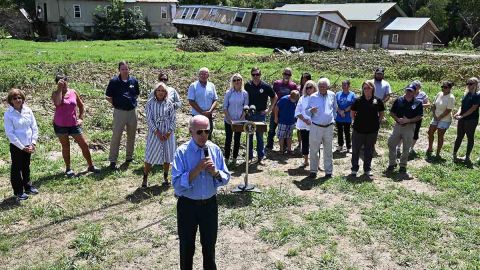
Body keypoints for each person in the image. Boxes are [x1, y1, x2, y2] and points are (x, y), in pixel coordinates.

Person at [172, 115, 230, 270]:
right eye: (199, 132)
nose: (204, 136)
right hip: (188, 206)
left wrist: (215, 173)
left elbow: (225, 177)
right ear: (191, 131)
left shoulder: (214, 149)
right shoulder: (182, 152)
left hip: (209, 205)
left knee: (209, 246)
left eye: (207, 131)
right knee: (186, 247)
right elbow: (177, 185)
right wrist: (196, 170)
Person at [52, 74, 100, 177]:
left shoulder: (73, 92)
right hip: (60, 125)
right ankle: (68, 168)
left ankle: (91, 165)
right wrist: (60, 90)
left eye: (65, 81)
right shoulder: (55, 93)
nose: (63, 84)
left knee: (84, 144)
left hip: (73, 124)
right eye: (60, 82)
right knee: (66, 146)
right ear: (57, 83)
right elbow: (57, 103)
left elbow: (81, 105)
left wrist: (81, 118)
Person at [4, 89, 39, 201]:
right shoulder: (8, 114)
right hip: (17, 146)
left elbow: (34, 127)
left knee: (26, 166)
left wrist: (33, 143)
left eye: (19, 97)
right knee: (16, 168)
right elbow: (10, 133)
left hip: (29, 145)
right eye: (15, 98)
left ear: (23, 99)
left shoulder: (28, 111)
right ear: (11, 101)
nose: (18, 100)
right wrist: (22, 147)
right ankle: (18, 191)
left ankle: (28, 187)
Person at [106, 61, 140, 170]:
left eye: (126, 69)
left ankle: (129, 158)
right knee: (116, 136)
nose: (125, 71)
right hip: (119, 112)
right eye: (122, 69)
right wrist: (117, 104)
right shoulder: (114, 81)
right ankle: (112, 160)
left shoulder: (133, 81)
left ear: (129, 69)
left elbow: (136, 94)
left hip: (132, 112)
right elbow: (108, 96)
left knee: (131, 135)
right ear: (119, 70)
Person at [142, 83, 176, 188]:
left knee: (167, 155)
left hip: (167, 133)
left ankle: (165, 177)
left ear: (165, 92)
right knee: (150, 155)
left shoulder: (169, 103)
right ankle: (145, 178)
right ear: (155, 91)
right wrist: (157, 132)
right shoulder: (150, 103)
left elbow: (173, 119)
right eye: (159, 90)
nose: (160, 93)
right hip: (154, 133)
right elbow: (149, 119)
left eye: (163, 91)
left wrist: (169, 132)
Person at [386, 84, 423, 177]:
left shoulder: (418, 103)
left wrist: (409, 120)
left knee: (406, 147)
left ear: (415, 92)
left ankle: (403, 165)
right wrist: (397, 119)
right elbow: (391, 112)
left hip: (409, 127)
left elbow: (419, 116)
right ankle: (392, 163)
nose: (408, 92)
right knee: (391, 143)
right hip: (398, 126)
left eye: (411, 91)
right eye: (407, 90)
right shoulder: (399, 100)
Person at [350, 81, 385, 177]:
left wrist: (378, 122)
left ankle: (367, 169)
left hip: (372, 131)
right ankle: (354, 169)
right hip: (358, 130)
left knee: (369, 151)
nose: (366, 90)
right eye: (364, 88)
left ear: (372, 89)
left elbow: (381, 113)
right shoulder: (358, 100)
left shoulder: (378, 101)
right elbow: (352, 113)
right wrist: (356, 121)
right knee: (356, 151)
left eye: (368, 88)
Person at [306, 78, 337, 179]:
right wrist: (311, 110)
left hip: (328, 127)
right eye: (320, 86)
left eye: (323, 86)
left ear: (328, 87)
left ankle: (328, 171)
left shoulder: (332, 95)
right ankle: (313, 171)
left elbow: (335, 108)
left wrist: (333, 119)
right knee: (314, 150)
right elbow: (306, 111)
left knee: (328, 150)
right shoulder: (313, 96)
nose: (321, 88)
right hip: (316, 126)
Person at [244, 67, 277, 164]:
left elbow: (274, 97)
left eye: (257, 74)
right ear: (251, 75)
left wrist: (269, 110)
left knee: (260, 137)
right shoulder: (247, 85)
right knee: (249, 136)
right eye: (253, 74)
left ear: (260, 75)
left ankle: (260, 157)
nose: (255, 76)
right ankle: (249, 157)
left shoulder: (265, 86)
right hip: (249, 114)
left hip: (260, 114)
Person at [266, 67, 298, 150]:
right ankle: (269, 145)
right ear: (282, 74)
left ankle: (285, 147)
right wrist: (272, 107)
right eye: (285, 74)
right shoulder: (277, 83)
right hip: (276, 109)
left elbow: (296, 98)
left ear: (291, 75)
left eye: (289, 74)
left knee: (287, 131)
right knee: (272, 129)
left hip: (287, 112)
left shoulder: (293, 85)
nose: (287, 76)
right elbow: (272, 96)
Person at [223, 73, 249, 165]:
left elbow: (246, 107)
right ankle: (226, 159)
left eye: (238, 80)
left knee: (237, 140)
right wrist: (230, 120)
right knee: (228, 140)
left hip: (239, 121)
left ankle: (234, 159)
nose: (237, 82)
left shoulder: (245, 93)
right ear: (232, 82)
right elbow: (225, 107)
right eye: (234, 80)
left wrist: (240, 120)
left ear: (241, 81)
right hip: (228, 120)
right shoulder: (228, 92)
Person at [453, 77, 480, 163]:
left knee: (470, 137)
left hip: (471, 120)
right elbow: (462, 105)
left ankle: (467, 156)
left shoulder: (477, 95)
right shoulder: (466, 94)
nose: (468, 85)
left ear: (476, 84)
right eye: (467, 83)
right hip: (463, 118)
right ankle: (454, 154)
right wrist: (458, 112)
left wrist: (462, 116)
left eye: (471, 83)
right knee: (459, 136)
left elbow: (473, 108)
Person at [187, 67, 218, 140]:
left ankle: (206, 151)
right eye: (201, 74)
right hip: (197, 116)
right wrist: (202, 112)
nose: (203, 76)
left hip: (208, 116)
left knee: (208, 136)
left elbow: (215, 100)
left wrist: (210, 111)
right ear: (198, 75)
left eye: (205, 74)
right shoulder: (193, 86)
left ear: (208, 75)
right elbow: (191, 101)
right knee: (197, 136)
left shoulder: (211, 85)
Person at [426, 81, 455, 157]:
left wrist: (440, 117)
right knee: (430, 132)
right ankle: (430, 148)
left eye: (445, 87)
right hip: (436, 116)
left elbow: (448, 110)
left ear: (449, 88)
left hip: (445, 119)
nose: (443, 88)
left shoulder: (451, 97)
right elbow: (434, 104)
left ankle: (438, 153)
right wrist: (434, 114)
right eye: (442, 87)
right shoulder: (439, 94)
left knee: (440, 135)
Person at [295, 80, 316, 167]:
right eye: (307, 87)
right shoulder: (302, 98)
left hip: (315, 125)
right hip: (304, 124)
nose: (308, 89)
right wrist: (304, 120)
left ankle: (316, 163)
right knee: (305, 143)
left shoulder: (318, 98)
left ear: (314, 88)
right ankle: (306, 161)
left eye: (310, 87)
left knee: (316, 144)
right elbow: (297, 111)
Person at [335, 80, 356, 153]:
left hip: (347, 117)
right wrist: (340, 111)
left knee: (347, 132)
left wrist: (344, 111)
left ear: (349, 86)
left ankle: (348, 146)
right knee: (339, 132)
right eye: (342, 85)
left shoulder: (352, 94)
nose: (343, 86)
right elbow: (335, 104)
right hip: (339, 116)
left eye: (345, 85)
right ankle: (340, 145)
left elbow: (353, 105)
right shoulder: (338, 94)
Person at [410, 80, 430, 153]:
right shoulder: (409, 92)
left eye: (417, 86)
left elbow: (428, 104)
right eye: (414, 86)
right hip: (408, 116)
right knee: (406, 131)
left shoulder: (422, 94)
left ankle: (411, 148)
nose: (415, 88)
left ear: (419, 87)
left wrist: (418, 105)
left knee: (415, 132)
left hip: (418, 116)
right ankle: (400, 147)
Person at [296, 72, 312, 152]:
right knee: (299, 129)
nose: (304, 81)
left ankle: (307, 144)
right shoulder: (299, 88)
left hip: (309, 115)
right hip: (299, 109)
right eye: (303, 79)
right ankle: (300, 143)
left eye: (306, 79)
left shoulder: (311, 88)